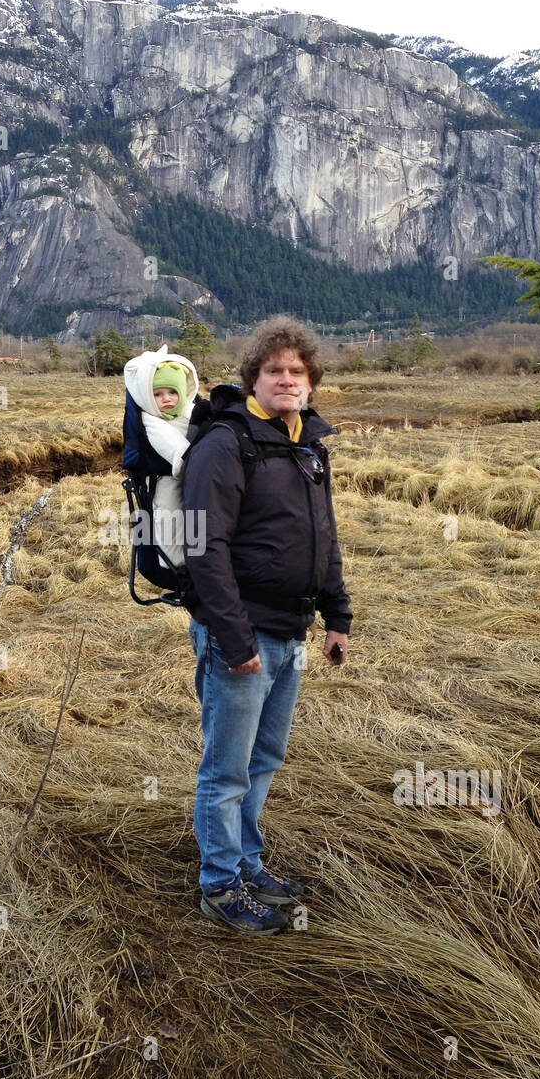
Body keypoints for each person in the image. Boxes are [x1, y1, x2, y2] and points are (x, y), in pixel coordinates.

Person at [181, 316, 352, 935]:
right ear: (253, 378)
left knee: (264, 757)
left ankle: (248, 864)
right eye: (274, 370)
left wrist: (337, 615)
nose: (286, 379)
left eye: (297, 372)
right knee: (226, 767)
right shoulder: (226, 444)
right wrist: (234, 638)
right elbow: (204, 548)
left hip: (292, 632)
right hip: (242, 636)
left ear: (310, 383)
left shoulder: (310, 449)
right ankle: (220, 884)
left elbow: (323, 538)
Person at [122, 345, 200, 570]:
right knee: (169, 515)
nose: (167, 399)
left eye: (173, 392)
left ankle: (203, 554)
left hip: (194, 472)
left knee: (199, 517)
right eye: (157, 394)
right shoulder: (150, 420)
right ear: (147, 396)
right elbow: (174, 447)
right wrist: (196, 462)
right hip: (167, 476)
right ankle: (175, 564)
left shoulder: (189, 409)